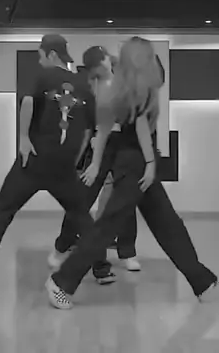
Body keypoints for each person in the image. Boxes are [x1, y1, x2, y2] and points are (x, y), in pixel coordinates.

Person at [45, 36, 219, 309]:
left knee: (167, 224)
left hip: (131, 161)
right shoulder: (136, 91)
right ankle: (61, 282)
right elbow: (138, 128)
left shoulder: (121, 89)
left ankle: (201, 280)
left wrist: (105, 162)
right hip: (135, 164)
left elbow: (106, 130)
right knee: (108, 227)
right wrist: (150, 164)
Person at [0, 34, 115, 285]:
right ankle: (102, 270)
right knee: (81, 217)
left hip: (33, 162)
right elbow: (88, 130)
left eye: (41, 56)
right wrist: (74, 157)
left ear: (52, 54)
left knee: (2, 211)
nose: (40, 62)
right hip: (63, 166)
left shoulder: (43, 76)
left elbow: (28, 102)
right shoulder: (83, 85)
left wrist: (23, 138)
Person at [48, 46, 141, 272]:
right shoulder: (90, 85)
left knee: (126, 200)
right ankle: (62, 247)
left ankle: (128, 252)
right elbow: (86, 116)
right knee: (82, 198)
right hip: (99, 144)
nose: (103, 68)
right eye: (97, 67)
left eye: (104, 62)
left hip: (123, 144)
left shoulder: (126, 80)